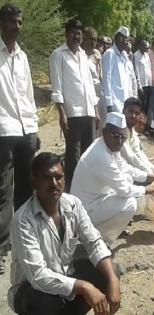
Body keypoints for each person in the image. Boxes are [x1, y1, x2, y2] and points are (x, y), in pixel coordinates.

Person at [8, 152, 120, 315]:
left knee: (109, 272)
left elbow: (94, 243)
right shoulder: (23, 220)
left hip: (66, 276)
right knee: (46, 302)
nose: (54, 183)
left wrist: (113, 279)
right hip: (32, 290)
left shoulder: (73, 205)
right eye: (46, 178)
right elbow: (38, 276)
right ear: (34, 182)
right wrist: (84, 286)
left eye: (58, 177)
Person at [71, 112, 154, 244]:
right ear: (105, 133)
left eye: (123, 137)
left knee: (127, 178)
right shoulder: (101, 156)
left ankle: (100, 231)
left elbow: (125, 168)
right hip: (85, 209)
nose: (120, 141)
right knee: (130, 204)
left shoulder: (107, 146)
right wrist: (146, 189)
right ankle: (98, 241)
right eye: (116, 136)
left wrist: (149, 176)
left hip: (96, 199)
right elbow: (124, 190)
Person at [0, 4, 39, 274]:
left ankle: (24, 240)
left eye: (20, 22)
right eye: (13, 22)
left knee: (27, 190)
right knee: (3, 192)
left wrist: (34, 128)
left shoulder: (21, 57)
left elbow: (28, 95)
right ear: (2, 23)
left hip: (26, 130)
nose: (18, 27)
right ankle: (1, 249)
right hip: (3, 131)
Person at [50, 19, 100, 192]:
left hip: (88, 112)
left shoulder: (84, 57)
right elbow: (57, 87)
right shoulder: (58, 55)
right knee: (73, 155)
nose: (76, 36)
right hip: (72, 113)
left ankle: (86, 190)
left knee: (88, 154)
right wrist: (61, 113)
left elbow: (89, 85)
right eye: (73, 33)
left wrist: (95, 110)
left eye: (79, 34)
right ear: (66, 34)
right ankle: (71, 190)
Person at [102, 26, 135, 113]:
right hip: (115, 104)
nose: (125, 41)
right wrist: (109, 103)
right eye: (122, 38)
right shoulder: (110, 54)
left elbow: (127, 81)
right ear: (116, 38)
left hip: (125, 102)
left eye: (126, 39)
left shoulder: (124, 56)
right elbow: (106, 79)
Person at [133, 39, 152, 119]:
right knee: (142, 107)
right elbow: (136, 72)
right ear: (140, 46)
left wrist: (151, 83)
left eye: (147, 47)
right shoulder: (136, 55)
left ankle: (145, 126)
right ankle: (140, 127)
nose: (146, 48)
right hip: (142, 86)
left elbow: (149, 69)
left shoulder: (146, 55)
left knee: (147, 107)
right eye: (144, 46)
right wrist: (139, 86)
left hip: (148, 85)